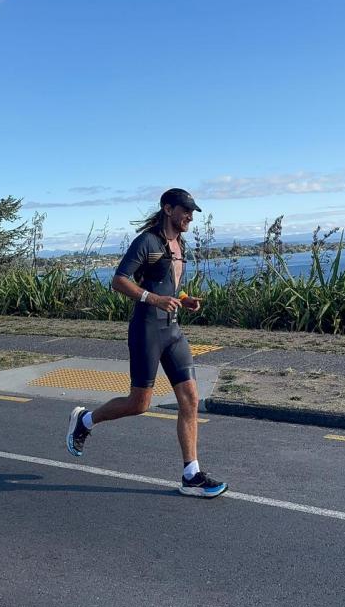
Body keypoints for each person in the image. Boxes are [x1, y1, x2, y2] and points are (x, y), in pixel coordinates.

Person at [66, 188, 228, 498]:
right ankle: (85, 421)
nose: (190, 216)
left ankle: (191, 474)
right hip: (147, 330)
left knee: (190, 400)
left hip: (173, 331)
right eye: (185, 210)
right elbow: (119, 280)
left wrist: (183, 298)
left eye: (192, 211)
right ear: (168, 209)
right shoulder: (148, 241)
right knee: (139, 404)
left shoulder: (178, 244)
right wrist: (152, 298)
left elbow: (166, 284)